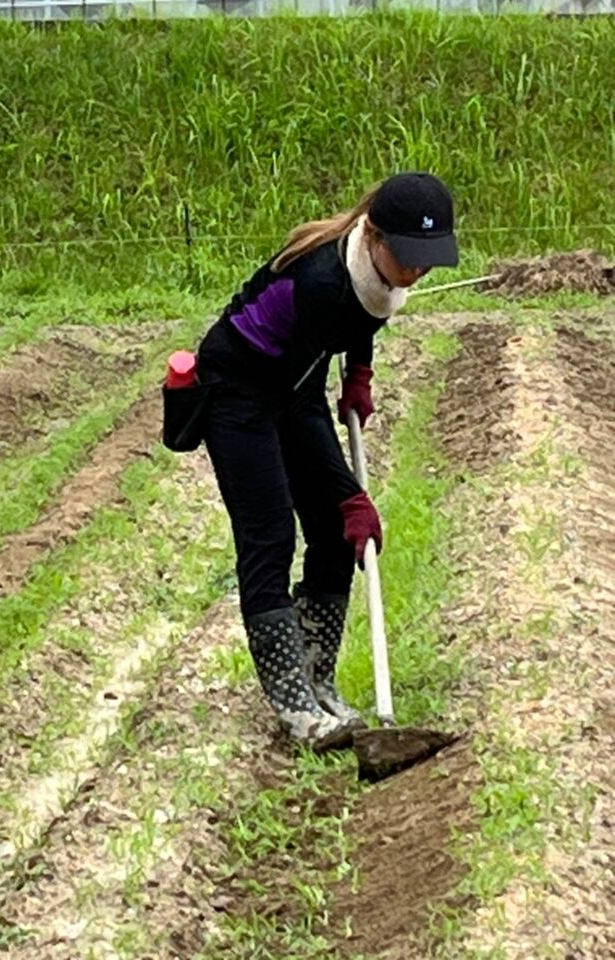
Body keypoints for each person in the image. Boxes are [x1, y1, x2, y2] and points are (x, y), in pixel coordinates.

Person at [194, 172, 459, 749]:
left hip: (291, 383)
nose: (417, 270)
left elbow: (360, 319)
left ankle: (319, 681)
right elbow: (299, 404)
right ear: (375, 236)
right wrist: (349, 495)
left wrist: (360, 373)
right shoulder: (320, 281)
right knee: (270, 536)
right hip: (238, 390)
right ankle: (295, 707)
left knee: (337, 538)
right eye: (408, 256)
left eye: (427, 260)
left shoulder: (374, 271)